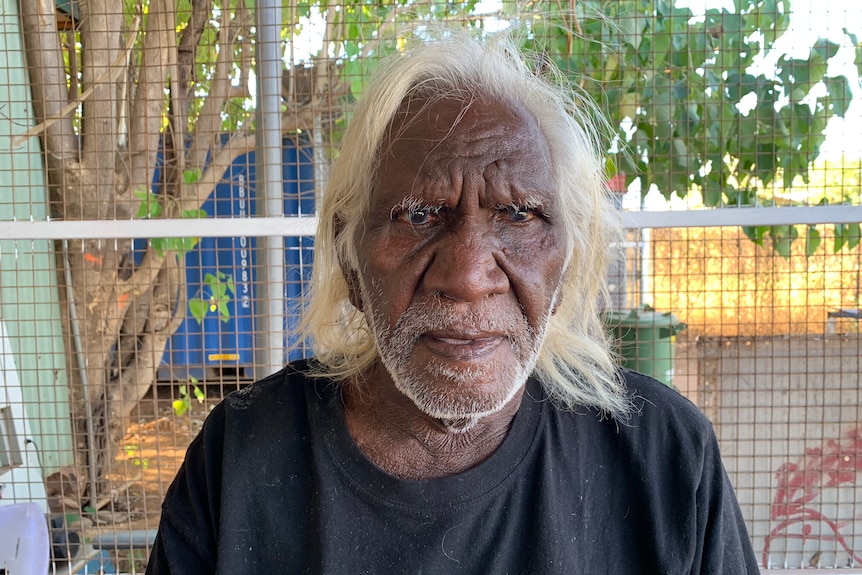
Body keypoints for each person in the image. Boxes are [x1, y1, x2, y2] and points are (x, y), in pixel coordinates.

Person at [147, 29, 760, 574]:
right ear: (350, 257)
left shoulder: (665, 460)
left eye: (519, 214)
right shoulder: (244, 456)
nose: (468, 276)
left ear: (566, 263)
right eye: (418, 215)